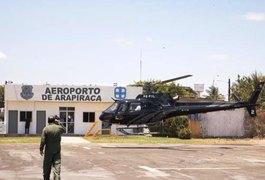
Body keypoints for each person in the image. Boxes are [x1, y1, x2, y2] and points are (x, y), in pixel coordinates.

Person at [40, 115, 65, 180]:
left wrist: (41, 149)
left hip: (48, 152)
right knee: (57, 169)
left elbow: (43, 140)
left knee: (46, 169)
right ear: (54, 120)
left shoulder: (45, 129)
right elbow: (64, 130)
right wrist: (59, 123)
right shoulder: (59, 128)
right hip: (57, 151)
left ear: (48, 121)